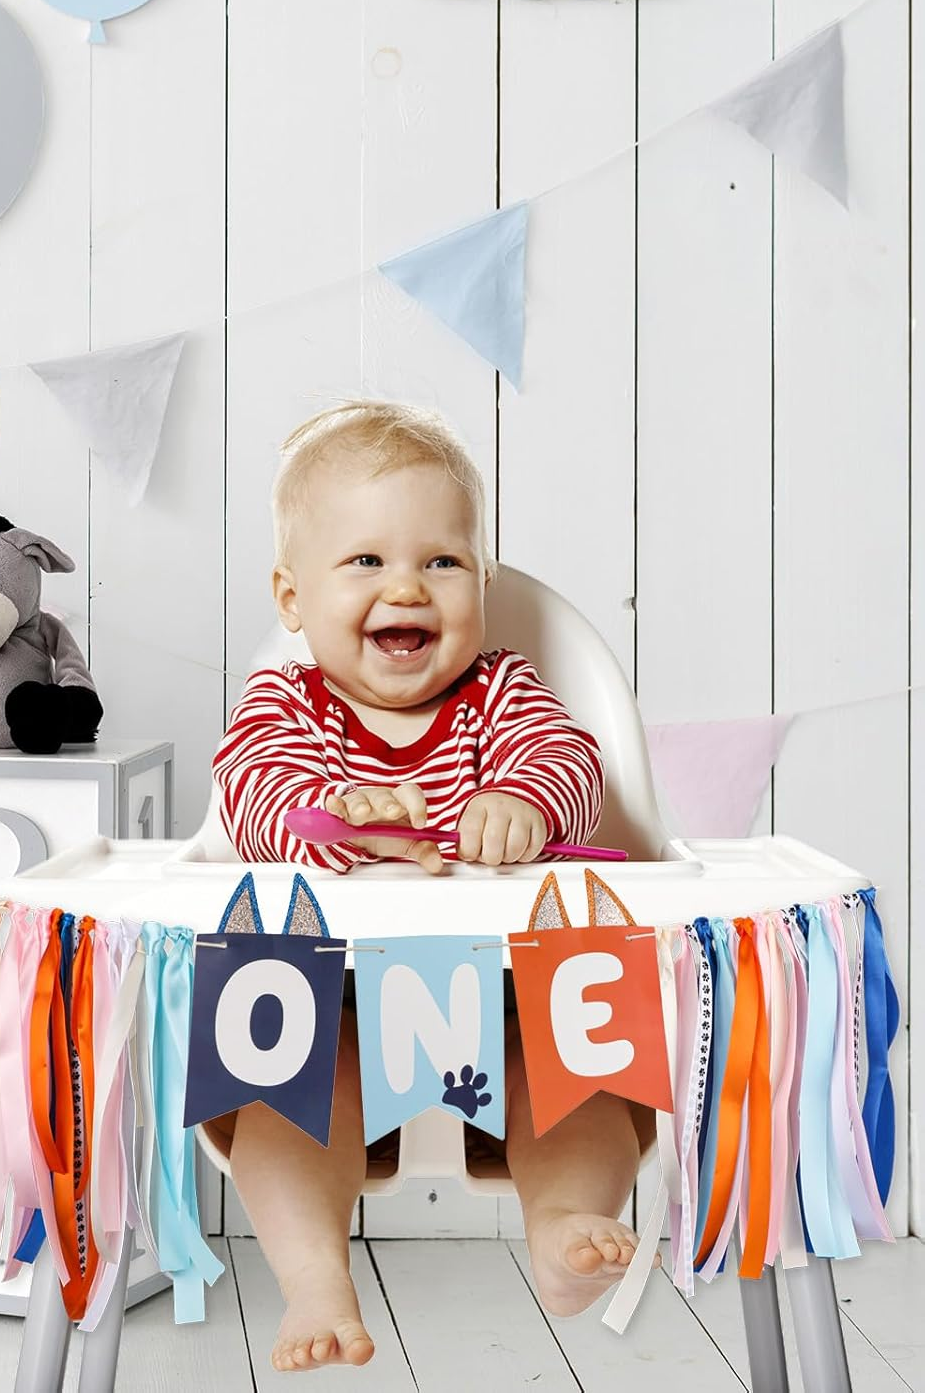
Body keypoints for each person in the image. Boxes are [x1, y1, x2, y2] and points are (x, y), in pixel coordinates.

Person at [209, 398, 658, 1372]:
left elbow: (572, 761)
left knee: (585, 1076)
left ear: (481, 583)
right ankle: (317, 1280)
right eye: (365, 561)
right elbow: (249, 792)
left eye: (442, 561)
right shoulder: (286, 703)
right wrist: (330, 813)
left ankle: (569, 1222)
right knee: (278, 1096)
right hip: (337, 1018)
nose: (407, 585)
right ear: (293, 599)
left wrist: (524, 805)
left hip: (505, 1009)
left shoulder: (502, 693)